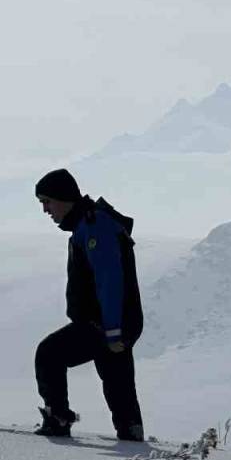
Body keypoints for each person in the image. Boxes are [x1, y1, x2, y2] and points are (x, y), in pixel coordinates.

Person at [32, 169, 145, 441]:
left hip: (105, 323)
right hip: (114, 322)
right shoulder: (90, 224)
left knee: (49, 354)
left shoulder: (94, 227)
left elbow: (110, 278)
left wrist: (113, 330)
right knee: (117, 382)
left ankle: (58, 419)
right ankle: (131, 434)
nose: (45, 210)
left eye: (47, 202)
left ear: (63, 198)